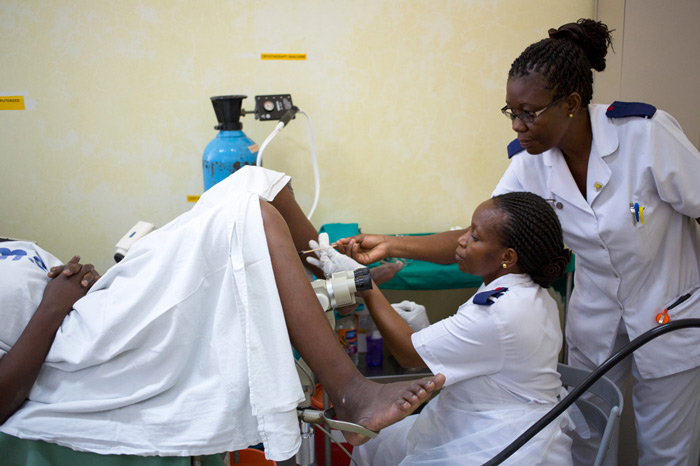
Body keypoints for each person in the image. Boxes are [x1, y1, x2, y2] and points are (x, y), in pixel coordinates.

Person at [339, 18, 700, 466]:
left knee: (668, 451)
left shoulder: (645, 135)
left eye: (530, 112)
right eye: (512, 112)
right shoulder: (532, 163)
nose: (518, 126)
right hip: (597, 317)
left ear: (570, 104)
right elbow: (480, 234)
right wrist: (393, 245)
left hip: (670, 310)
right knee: (584, 440)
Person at [0, 166, 444, 465]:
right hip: (77, 341)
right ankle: (351, 392)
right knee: (248, 215)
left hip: (95, 304)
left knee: (255, 179)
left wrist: (79, 281)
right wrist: (54, 307)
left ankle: (335, 271)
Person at [343, 191, 573, 465]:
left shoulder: (498, 310)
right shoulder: (527, 290)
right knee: (376, 443)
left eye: (475, 237)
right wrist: (425, 329)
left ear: (507, 256)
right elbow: (488, 356)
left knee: (374, 439)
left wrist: (363, 282)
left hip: (500, 440)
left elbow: (407, 353)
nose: (461, 240)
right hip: (497, 416)